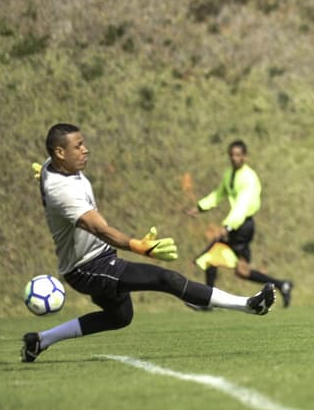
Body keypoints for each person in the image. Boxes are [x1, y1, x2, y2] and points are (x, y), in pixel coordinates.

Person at [21, 123, 276, 363]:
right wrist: (138, 246)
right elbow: (100, 229)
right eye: (78, 146)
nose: (85, 149)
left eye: (84, 143)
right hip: (88, 267)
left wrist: (43, 176)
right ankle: (249, 306)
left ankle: (40, 341)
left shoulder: (50, 167)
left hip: (94, 259)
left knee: (120, 317)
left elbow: (49, 174)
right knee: (167, 280)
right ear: (60, 152)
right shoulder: (62, 190)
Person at [186, 140, 293, 308]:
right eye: (231, 155)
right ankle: (282, 285)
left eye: (238, 155)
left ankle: (205, 302)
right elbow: (219, 194)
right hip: (238, 225)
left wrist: (227, 226)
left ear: (245, 156)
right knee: (242, 271)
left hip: (242, 226)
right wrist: (201, 207)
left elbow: (241, 207)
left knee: (211, 258)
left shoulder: (248, 178)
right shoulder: (229, 174)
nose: (234, 158)